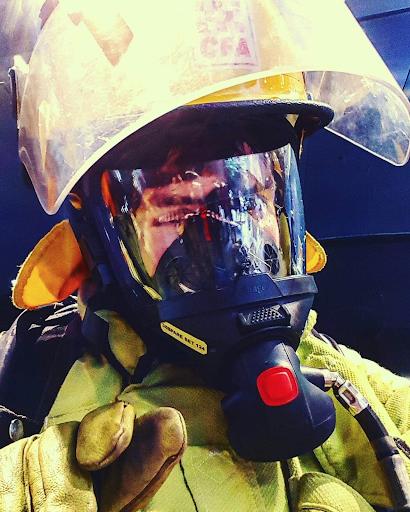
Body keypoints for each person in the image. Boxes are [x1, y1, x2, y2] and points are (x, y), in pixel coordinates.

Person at [1, 1, 410, 510]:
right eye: (176, 205)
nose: (231, 245)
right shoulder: (27, 387)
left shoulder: (355, 385)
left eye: (249, 197)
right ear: (101, 233)